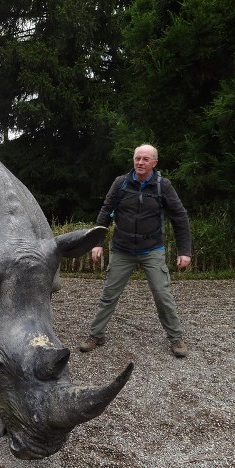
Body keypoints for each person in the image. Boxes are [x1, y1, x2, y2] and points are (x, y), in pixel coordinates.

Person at [80, 144, 192, 358]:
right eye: (137, 158)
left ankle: (176, 338)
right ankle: (96, 335)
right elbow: (105, 211)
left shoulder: (163, 186)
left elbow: (180, 218)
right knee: (109, 294)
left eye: (145, 159)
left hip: (152, 249)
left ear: (154, 163)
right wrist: (97, 242)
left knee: (162, 294)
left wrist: (184, 251)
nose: (140, 162)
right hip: (122, 249)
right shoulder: (120, 183)